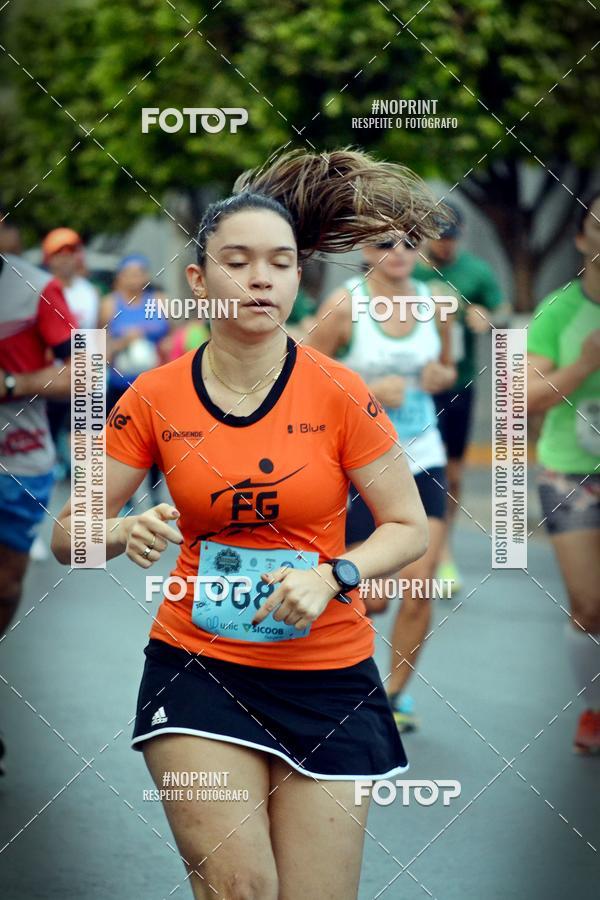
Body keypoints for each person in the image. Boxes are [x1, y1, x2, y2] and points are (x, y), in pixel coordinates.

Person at [52, 148, 451, 899]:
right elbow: (68, 532)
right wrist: (112, 531)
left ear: (299, 278)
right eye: (237, 261)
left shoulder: (339, 392)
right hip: (197, 669)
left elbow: (408, 527)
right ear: (199, 282)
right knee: (240, 888)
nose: (259, 278)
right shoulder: (154, 397)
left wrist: (335, 573)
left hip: (329, 682)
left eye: (278, 262)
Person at [307, 234, 456, 732]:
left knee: (419, 587)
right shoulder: (345, 304)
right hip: (358, 467)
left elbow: (448, 366)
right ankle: (351, 685)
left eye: (411, 241)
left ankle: (394, 695)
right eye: (385, 242)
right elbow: (304, 374)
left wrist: (441, 375)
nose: (400, 251)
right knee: (369, 597)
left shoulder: (437, 303)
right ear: (365, 250)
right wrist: (366, 390)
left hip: (423, 456)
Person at [527, 190, 600, 755]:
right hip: (570, 474)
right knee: (588, 604)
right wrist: (583, 364)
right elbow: (521, 398)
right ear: (582, 239)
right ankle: (593, 711)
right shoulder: (559, 311)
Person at [0, 252, 74, 773]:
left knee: (3, 588)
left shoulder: (38, 287)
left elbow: (84, 373)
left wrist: (8, 386)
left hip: (19, 464)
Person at [413, 203, 504, 593]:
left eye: (451, 238)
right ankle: (414, 547)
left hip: (458, 384)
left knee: (450, 472)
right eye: (438, 237)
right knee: (407, 469)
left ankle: (443, 546)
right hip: (412, 385)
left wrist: (488, 317)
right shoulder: (407, 266)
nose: (445, 246)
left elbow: (502, 309)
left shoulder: (476, 272)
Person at [100, 253, 170, 504]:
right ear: (120, 277)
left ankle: (154, 491)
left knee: (155, 440)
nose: (135, 278)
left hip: (154, 386)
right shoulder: (110, 304)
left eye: (140, 272)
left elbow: (173, 339)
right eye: (130, 273)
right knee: (120, 440)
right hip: (120, 385)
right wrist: (123, 342)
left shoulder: (159, 301)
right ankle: (124, 497)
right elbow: (102, 346)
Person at [43, 228, 100, 509]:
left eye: (70, 253)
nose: (66, 260)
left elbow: (96, 335)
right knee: (44, 446)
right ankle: (38, 512)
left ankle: (85, 509)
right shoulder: (41, 289)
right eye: (59, 254)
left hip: (82, 379)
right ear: (48, 258)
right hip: (47, 380)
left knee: (86, 443)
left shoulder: (88, 293)